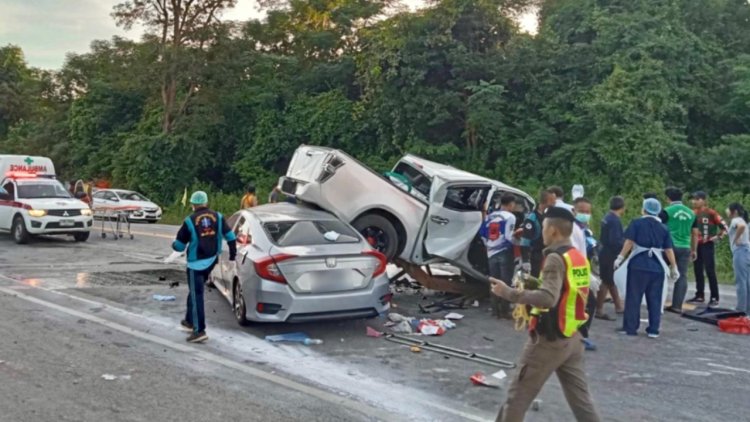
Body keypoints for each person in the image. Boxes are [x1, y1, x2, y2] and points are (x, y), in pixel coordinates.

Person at [491, 207, 601, 422]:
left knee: (517, 398)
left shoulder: (554, 259)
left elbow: (548, 298)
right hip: (573, 337)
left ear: (552, 231)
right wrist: (535, 284)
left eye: (544, 228)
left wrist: (509, 293)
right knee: (581, 402)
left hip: (549, 339)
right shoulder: (578, 257)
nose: (541, 232)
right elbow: (569, 292)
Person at [172, 191, 237, 343]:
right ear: (207, 202)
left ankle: (199, 330)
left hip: (195, 264)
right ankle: (189, 320)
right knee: (195, 291)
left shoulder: (189, 221)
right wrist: (232, 255)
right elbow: (231, 237)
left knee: (197, 295)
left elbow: (180, 246)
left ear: (193, 205)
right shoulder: (219, 217)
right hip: (212, 260)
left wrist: (173, 245)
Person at [615, 198, 678, 338]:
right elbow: (668, 249)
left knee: (634, 297)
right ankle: (653, 330)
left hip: (638, 265)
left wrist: (620, 258)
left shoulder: (636, 223)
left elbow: (629, 242)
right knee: (655, 299)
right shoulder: (664, 228)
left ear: (644, 209)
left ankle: (630, 328)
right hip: (657, 266)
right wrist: (674, 267)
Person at [480, 193, 517, 318]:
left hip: (491, 252)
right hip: (504, 251)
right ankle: (505, 311)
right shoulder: (510, 217)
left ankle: (495, 310)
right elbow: (508, 236)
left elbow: (483, 234)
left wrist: (489, 246)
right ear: (511, 204)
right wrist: (519, 241)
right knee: (505, 282)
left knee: (494, 282)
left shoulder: (490, 216)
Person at [688, 191, 728, 306]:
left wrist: (718, 237)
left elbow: (724, 227)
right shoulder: (692, 213)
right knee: (697, 270)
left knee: (710, 270)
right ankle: (699, 295)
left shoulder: (711, 213)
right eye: (693, 199)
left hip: (707, 244)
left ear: (703, 200)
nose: (694, 201)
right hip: (696, 245)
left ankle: (714, 297)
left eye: (697, 199)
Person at [664, 187, 696, 313]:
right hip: (685, 246)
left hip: (669, 247)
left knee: (660, 272)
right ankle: (677, 305)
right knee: (682, 276)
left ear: (668, 198)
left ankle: (656, 300)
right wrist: (694, 249)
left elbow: (659, 227)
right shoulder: (691, 213)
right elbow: (694, 232)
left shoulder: (667, 211)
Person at [573, 197, 599, 351]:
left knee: (586, 304)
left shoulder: (584, 230)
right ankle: (580, 337)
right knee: (587, 303)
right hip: (575, 273)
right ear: (574, 211)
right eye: (581, 211)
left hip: (582, 272)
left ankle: (581, 336)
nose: (585, 214)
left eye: (588, 212)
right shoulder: (572, 229)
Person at [596, 196, 625, 319]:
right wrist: (625, 243)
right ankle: (599, 309)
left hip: (604, 251)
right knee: (606, 281)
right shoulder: (615, 221)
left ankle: (618, 305)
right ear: (622, 208)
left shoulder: (607, 217)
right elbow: (615, 240)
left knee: (610, 280)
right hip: (610, 253)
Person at [520, 190, 556, 277]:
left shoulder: (547, 216)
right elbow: (525, 240)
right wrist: (525, 260)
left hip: (546, 255)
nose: (555, 203)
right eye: (553, 200)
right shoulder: (532, 218)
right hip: (534, 256)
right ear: (547, 201)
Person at [726, 203, 750, 314]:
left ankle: (741, 309)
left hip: (740, 251)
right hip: (746, 251)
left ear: (734, 211)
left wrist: (736, 239)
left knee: (741, 281)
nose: (726, 211)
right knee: (747, 281)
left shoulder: (736, 220)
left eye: (728, 209)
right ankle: (747, 309)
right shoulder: (743, 219)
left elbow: (741, 227)